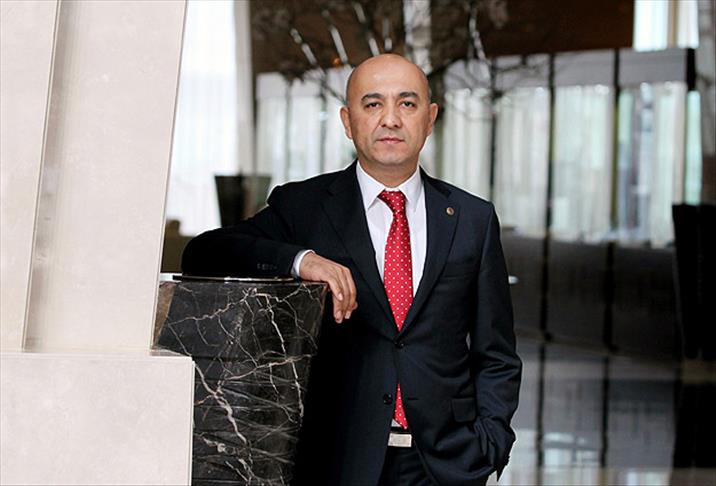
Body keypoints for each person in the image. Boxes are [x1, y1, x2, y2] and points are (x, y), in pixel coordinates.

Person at [182, 54, 521, 486]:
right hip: (339, 460)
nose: (391, 119)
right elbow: (205, 252)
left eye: (407, 104)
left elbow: (496, 353)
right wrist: (302, 260)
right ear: (347, 120)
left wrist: (490, 441)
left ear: (430, 118)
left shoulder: (472, 218)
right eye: (373, 104)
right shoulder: (304, 207)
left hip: (444, 464)